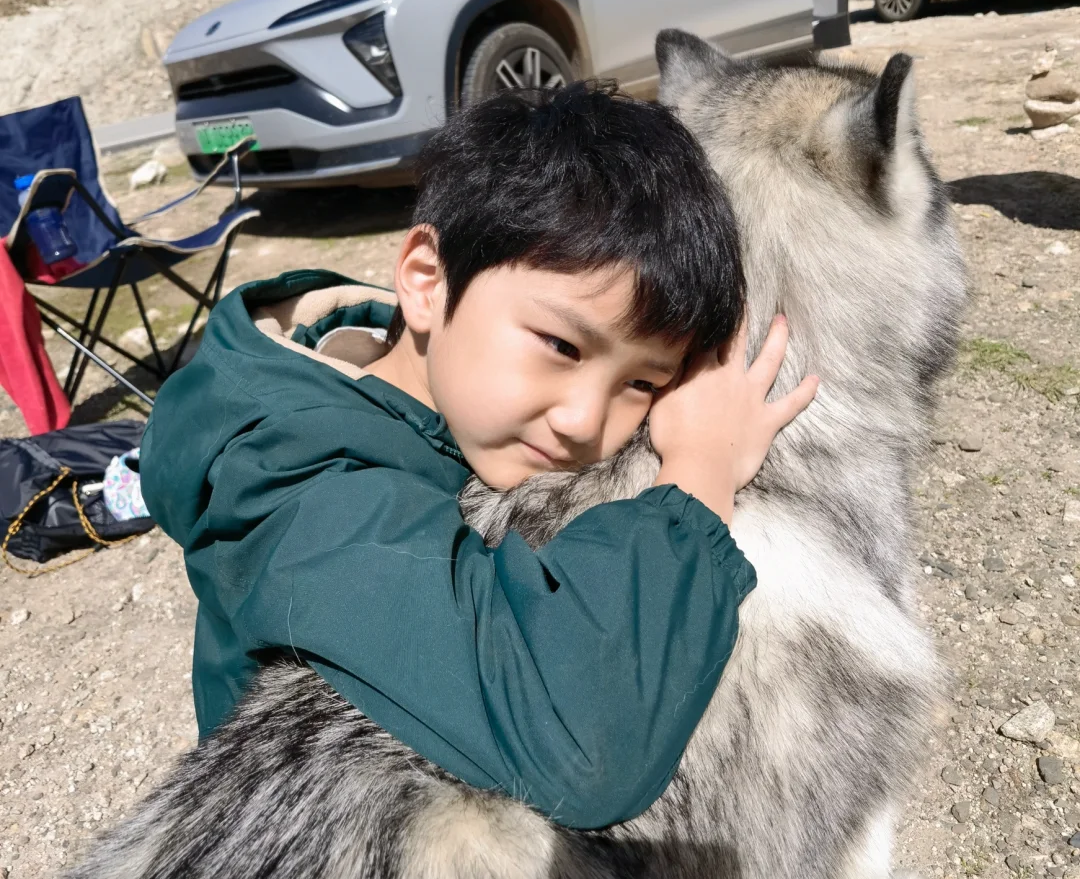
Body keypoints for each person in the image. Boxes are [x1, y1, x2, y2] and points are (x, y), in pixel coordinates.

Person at [141, 82, 817, 830]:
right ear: (426, 281)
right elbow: (583, 739)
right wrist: (701, 472)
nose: (585, 420)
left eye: (642, 382)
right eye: (561, 345)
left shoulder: (422, 382)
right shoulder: (293, 486)